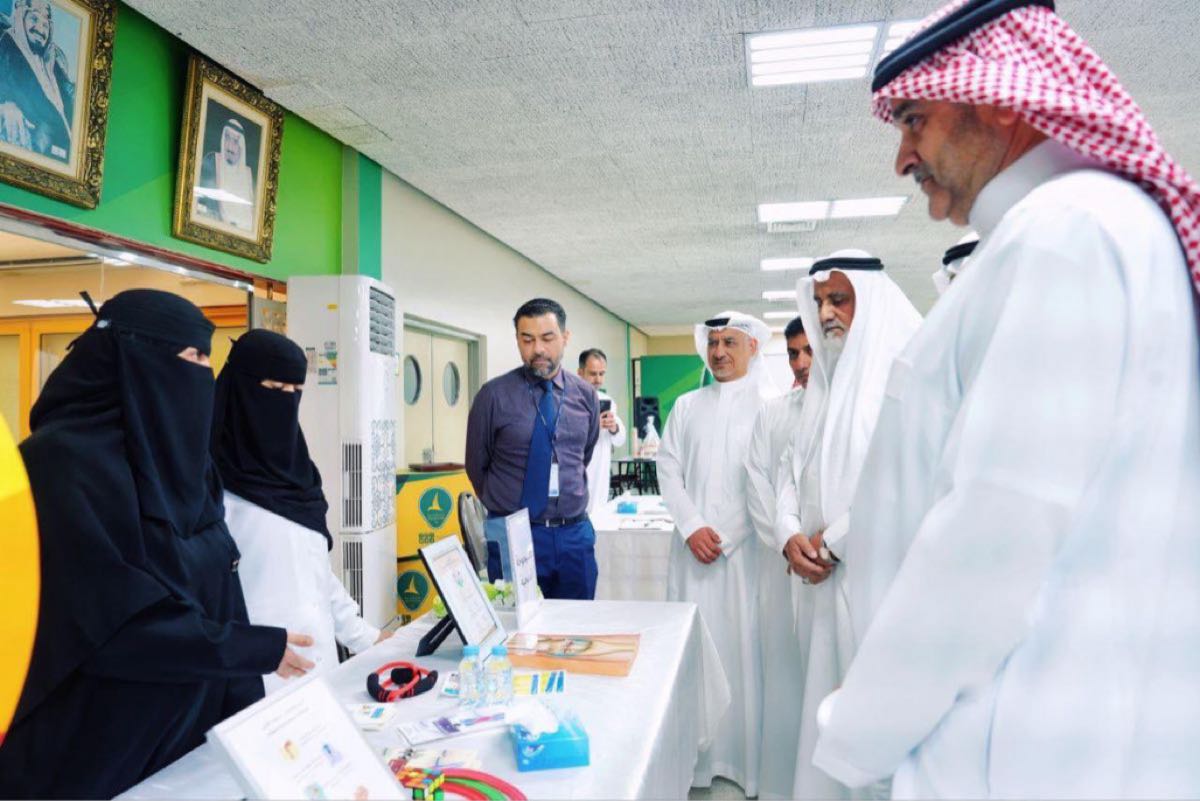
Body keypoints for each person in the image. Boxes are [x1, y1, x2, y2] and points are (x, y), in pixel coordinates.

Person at [811, 1, 1200, 797]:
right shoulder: (1080, 228)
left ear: (994, 99)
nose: (903, 157)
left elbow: (998, 525)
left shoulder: (1065, 233)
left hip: (1012, 740)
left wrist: (860, 726)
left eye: (914, 121)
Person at [0, 290, 314, 798]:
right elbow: (108, 627)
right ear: (135, 360)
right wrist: (247, 649)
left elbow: (221, 583)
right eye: (192, 356)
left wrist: (243, 697)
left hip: (189, 738)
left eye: (208, 358)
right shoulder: (59, 467)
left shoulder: (184, 465)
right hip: (95, 754)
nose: (203, 375)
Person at [774, 251, 921, 799]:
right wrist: (788, 532)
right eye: (819, 302)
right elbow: (790, 466)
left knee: (871, 729)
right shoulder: (825, 380)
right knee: (824, 715)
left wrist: (833, 544)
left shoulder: (905, 372)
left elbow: (907, 479)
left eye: (839, 299)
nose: (826, 313)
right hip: (819, 583)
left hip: (874, 584)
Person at [211, 329, 391, 695]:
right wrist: (251, 652)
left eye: (296, 391)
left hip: (320, 669)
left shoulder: (299, 476)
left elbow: (314, 571)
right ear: (241, 389)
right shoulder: (209, 484)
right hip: (255, 678)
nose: (286, 400)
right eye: (275, 389)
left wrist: (365, 637)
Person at [657, 311, 779, 798]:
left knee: (742, 651)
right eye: (713, 343)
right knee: (694, 654)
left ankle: (742, 762)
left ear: (752, 347)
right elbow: (668, 470)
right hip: (692, 554)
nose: (720, 352)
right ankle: (696, 762)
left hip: (745, 559)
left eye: (730, 342)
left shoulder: (770, 406)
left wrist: (724, 535)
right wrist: (692, 527)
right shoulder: (686, 406)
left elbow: (767, 482)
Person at [465, 298, 600, 599]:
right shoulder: (493, 396)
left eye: (547, 338)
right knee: (518, 625)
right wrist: (505, 508)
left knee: (578, 623)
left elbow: (584, 454)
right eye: (527, 340)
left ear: (565, 337)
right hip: (513, 534)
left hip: (573, 535)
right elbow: (476, 464)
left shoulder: (585, 395)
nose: (538, 349)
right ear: (517, 340)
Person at [745, 314, 812, 800]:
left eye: (809, 350)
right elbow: (759, 482)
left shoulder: (857, 406)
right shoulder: (774, 413)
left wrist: (821, 547)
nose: (801, 362)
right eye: (792, 353)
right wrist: (786, 542)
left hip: (836, 567)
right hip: (780, 563)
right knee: (786, 675)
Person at [0, 0, 75, 160]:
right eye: (34, 19)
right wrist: (7, 105)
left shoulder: (54, 63)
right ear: (21, 18)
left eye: (45, 25)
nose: (41, 29)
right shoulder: (5, 49)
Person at [577, 347, 627, 514]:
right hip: (580, 472)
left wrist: (614, 427)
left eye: (601, 374)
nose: (598, 380)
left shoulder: (607, 401)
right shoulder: (569, 401)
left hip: (601, 472)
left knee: (599, 515)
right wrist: (594, 425)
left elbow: (620, 440)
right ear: (580, 373)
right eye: (593, 374)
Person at [197, 117, 256, 231]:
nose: (229, 147)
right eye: (227, 138)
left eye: (235, 141)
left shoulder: (248, 175)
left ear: (242, 147)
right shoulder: (211, 161)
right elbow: (201, 206)